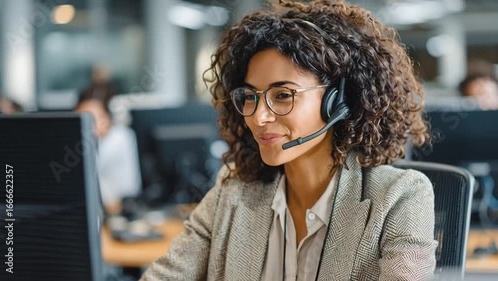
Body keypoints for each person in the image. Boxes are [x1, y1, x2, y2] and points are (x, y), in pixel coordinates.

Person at [140, 0, 437, 280]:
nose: (259, 118)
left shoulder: (399, 197)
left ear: (338, 102)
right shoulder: (232, 193)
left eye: (282, 95)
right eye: (250, 97)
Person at [76, 83, 142, 215]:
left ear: (107, 118)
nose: (87, 128)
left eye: (93, 120)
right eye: (81, 120)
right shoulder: (73, 145)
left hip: (115, 211)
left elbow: (121, 196)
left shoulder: (120, 137)